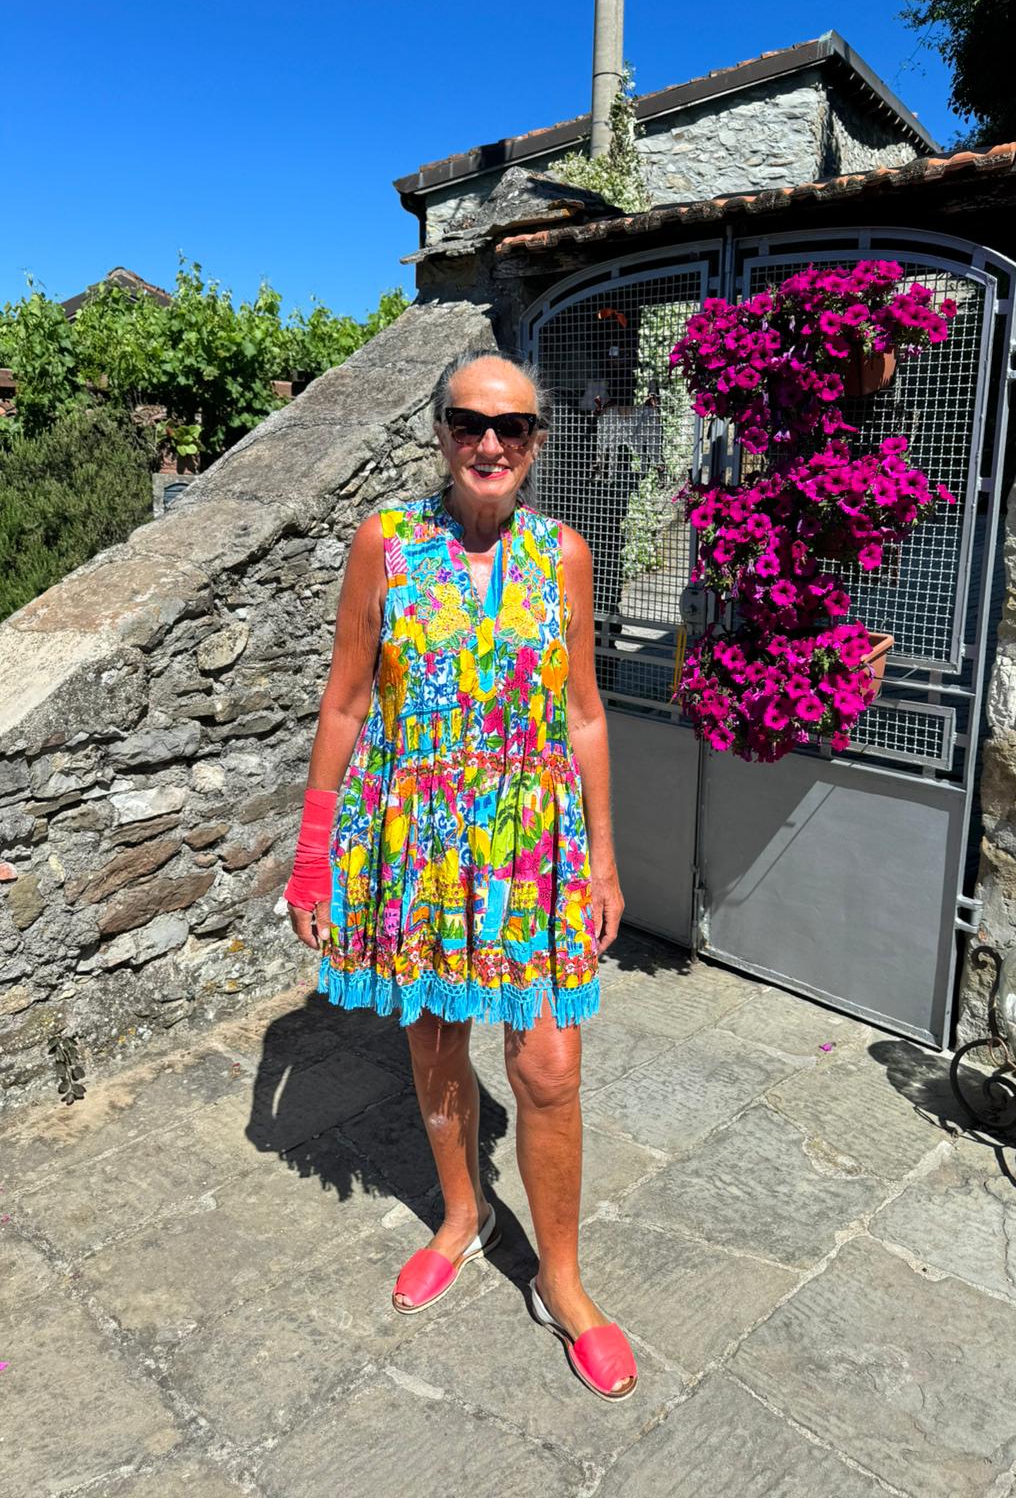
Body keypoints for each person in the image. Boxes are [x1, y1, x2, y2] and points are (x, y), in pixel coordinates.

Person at [282, 348, 637, 1401]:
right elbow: (346, 703)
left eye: (514, 426)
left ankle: (563, 1282)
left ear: (536, 442)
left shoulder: (561, 556)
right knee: (436, 1036)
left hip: (534, 851)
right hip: (421, 844)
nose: (491, 442)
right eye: (470, 421)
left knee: (548, 1065)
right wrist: (312, 855)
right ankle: (461, 1214)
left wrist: (607, 855)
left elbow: (582, 714)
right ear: (439, 430)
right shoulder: (385, 545)